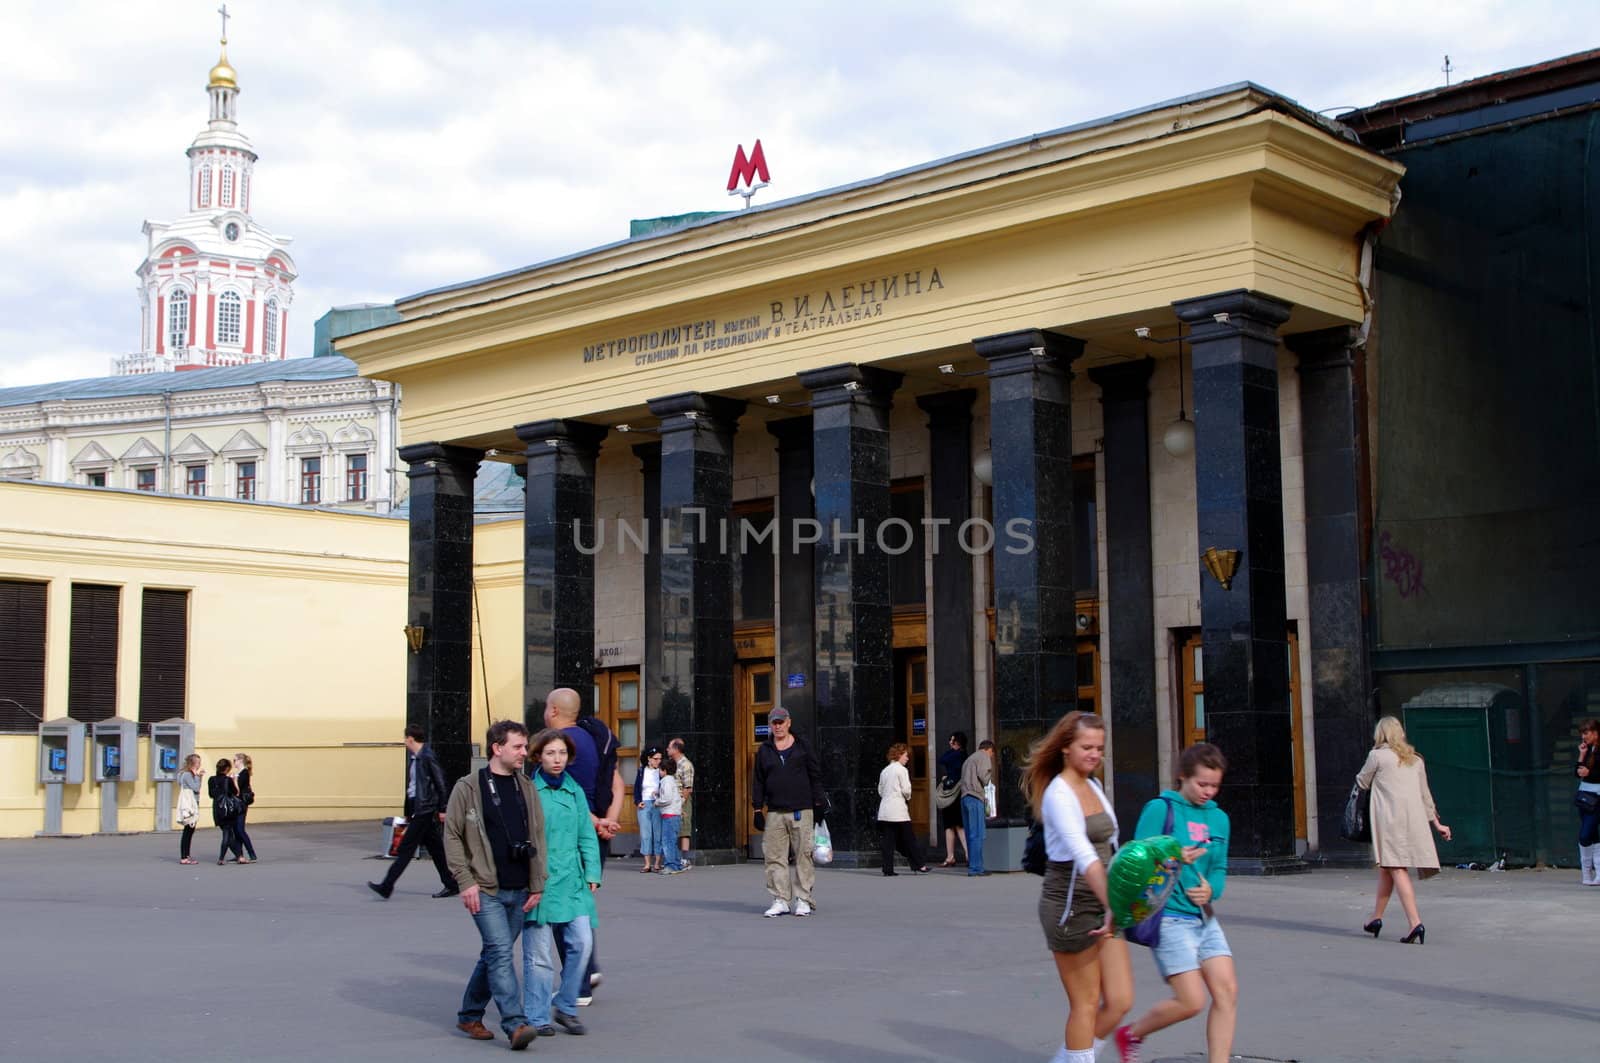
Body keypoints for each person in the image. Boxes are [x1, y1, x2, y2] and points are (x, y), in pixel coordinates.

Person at [1023, 711, 1132, 1063]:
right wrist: (1113, 903)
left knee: (1120, 1000)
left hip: (1104, 900)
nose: (1094, 754)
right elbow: (1085, 857)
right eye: (1087, 747)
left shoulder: (1094, 786)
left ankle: (1067, 1059)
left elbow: (1113, 845)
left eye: (1099, 748)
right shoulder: (1058, 793)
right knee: (1084, 1003)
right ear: (1066, 747)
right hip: (1070, 905)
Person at [1116, 743, 1235, 1063]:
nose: (1208, 791)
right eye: (1202, 784)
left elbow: (1220, 867)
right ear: (1182, 776)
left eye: (1214, 785)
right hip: (1168, 915)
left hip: (1204, 917)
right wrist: (1172, 854)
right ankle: (1131, 1034)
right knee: (1192, 1000)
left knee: (1227, 992)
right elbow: (1135, 858)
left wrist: (1213, 891)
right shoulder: (1160, 809)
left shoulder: (1220, 819)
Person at [443, 719, 547, 1049]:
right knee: (501, 953)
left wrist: (537, 883)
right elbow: (453, 836)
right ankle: (515, 1024)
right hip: (484, 888)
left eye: (524, 746)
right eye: (517, 747)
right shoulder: (468, 787)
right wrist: (465, 882)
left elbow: (538, 837)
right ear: (497, 748)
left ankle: (469, 1014)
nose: (524, 753)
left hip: (520, 888)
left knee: (492, 954)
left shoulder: (526, 786)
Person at [542, 687, 623, 1007]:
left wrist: (594, 821)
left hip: (570, 836)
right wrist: (609, 821)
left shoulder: (558, 747)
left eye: (547, 707)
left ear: (554, 710)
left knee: (561, 909)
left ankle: (579, 984)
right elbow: (616, 782)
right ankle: (586, 970)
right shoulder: (594, 738)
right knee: (578, 905)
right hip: (595, 835)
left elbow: (568, 796)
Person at [522, 728, 602, 1038]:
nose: (558, 759)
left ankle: (566, 1006)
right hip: (540, 881)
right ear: (538, 756)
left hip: (573, 881)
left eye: (562, 753)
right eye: (551, 753)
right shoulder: (529, 790)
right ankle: (537, 1015)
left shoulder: (575, 790)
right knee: (539, 955)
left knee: (582, 944)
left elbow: (586, 832)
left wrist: (592, 871)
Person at [1356, 716, 1452, 944]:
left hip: (1389, 821)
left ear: (1381, 734)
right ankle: (1375, 919)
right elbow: (1425, 795)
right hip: (1414, 821)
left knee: (1397, 868)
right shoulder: (1415, 760)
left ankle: (1415, 923)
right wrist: (1437, 824)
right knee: (1387, 868)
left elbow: (1362, 782)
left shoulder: (1377, 756)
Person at [751, 705, 828, 917]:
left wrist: (819, 803)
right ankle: (780, 899)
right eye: (774, 723)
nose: (777, 726)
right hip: (775, 811)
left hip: (801, 809)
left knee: (803, 855)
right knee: (774, 857)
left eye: (781, 722)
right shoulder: (765, 750)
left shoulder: (802, 746)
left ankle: (803, 899)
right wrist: (757, 809)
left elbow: (815, 775)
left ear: (788, 723)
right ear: (770, 725)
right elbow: (758, 781)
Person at [369, 724, 458, 900]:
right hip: (420, 811)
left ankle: (387, 886)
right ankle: (451, 884)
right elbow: (413, 788)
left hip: (426, 811)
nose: (404, 742)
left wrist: (442, 808)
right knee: (436, 850)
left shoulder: (427, 756)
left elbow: (441, 783)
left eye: (405, 738)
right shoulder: (416, 757)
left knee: (405, 849)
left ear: (410, 738)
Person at [877, 742, 929, 875]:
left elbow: (880, 790)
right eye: (906, 755)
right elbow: (906, 790)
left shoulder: (885, 770)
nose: (907, 758)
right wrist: (908, 796)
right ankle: (919, 865)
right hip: (898, 810)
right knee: (910, 839)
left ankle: (887, 869)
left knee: (888, 841)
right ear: (899, 755)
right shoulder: (902, 770)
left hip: (885, 810)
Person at [960, 739, 995, 876]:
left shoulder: (969, 759)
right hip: (975, 798)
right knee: (978, 834)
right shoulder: (983, 757)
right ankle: (976, 868)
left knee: (970, 834)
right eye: (992, 753)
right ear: (989, 749)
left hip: (964, 798)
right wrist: (989, 777)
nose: (991, 756)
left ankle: (974, 865)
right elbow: (984, 777)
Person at [208, 757, 247, 865]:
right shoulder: (227, 780)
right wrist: (234, 781)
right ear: (227, 769)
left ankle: (239, 856)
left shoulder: (211, 779)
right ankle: (222, 858)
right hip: (228, 809)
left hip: (217, 809)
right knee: (227, 834)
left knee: (228, 834)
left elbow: (211, 795)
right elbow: (236, 792)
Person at [1575, 719, 1600, 886]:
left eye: (1587, 733)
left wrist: (1589, 771)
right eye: (1582, 733)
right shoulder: (1588, 749)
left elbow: (1592, 772)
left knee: (1585, 835)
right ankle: (1589, 874)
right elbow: (1577, 773)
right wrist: (1582, 755)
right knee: (1592, 835)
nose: (1584, 736)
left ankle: (1593, 871)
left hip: (1597, 796)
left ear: (1596, 732)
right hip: (1584, 795)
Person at [938, 731, 969, 867]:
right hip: (958, 792)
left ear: (958, 742)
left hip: (953, 793)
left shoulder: (956, 755)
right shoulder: (963, 755)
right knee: (955, 825)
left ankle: (955, 856)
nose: (950, 742)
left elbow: (942, 759)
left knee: (953, 825)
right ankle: (960, 855)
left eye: (952, 740)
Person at [656, 756, 688, 873]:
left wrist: (657, 801)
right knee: (672, 841)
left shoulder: (666, 781)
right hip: (674, 815)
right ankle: (677, 864)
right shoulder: (672, 781)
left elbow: (667, 799)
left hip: (669, 816)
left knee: (667, 841)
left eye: (659, 770)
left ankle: (670, 866)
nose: (659, 772)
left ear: (664, 770)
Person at [635, 747, 664, 873]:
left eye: (660, 759)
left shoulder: (662, 771)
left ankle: (657, 863)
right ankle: (647, 864)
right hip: (645, 803)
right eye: (656, 758)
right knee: (645, 834)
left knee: (658, 833)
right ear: (649, 759)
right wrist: (637, 801)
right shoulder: (642, 771)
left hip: (658, 804)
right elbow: (637, 787)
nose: (658, 761)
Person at [668, 737, 694, 864]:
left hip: (682, 800)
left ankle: (684, 858)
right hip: (670, 800)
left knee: (684, 829)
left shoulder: (686, 764)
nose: (667, 749)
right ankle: (672, 857)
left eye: (670, 747)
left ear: (676, 749)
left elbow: (687, 788)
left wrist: (681, 803)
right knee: (672, 828)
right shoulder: (670, 763)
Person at [176, 754, 203, 864]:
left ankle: (186, 855)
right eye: (198, 762)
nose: (199, 764)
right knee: (188, 831)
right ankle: (184, 856)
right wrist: (199, 777)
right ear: (193, 763)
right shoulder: (188, 775)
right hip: (190, 805)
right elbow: (196, 788)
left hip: (191, 804)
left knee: (189, 831)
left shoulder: (182, 774)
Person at [232, 753, 259, 863]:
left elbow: (238, 790)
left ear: (240, 761)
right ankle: (239, 854)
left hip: (241, 803)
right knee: (236, 830)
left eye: (235, 760)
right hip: (238, 803)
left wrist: (233, 780)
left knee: (240, 829)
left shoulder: (244, 773)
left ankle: (251, 853)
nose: (233, 762)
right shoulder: (240, 773)